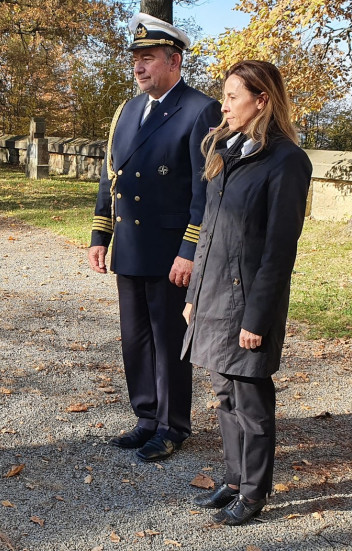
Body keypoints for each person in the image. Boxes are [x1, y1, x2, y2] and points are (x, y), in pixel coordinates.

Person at [182, 60, 312, 525]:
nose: (224, 104)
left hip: (249, 306)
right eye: (224, 94)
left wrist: (256, 319)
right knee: (224, 397)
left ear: (262, 100)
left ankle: (254, 493)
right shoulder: (224, 149)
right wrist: (193, 294)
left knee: (252, 405)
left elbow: (279, 251)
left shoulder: (286, 161)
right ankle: (234, 479)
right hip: (212, 297)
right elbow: (210, 232)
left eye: (234, 96)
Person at [88, 13, 222, 462]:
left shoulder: (199, 110)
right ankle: (145, 417)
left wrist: (190, 250)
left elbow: (204, 192)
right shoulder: (125, 111)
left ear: (174, 61)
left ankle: (172, 426)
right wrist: (99, 233)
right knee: (135, 339)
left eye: (148, 59)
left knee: (168, 339)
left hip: (169, 251)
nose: (139, 68)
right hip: (130, 247)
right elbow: (112, 177)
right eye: (136, 61)